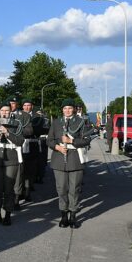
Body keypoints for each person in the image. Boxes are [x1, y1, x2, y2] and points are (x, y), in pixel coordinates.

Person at [47, 98, 93, 229]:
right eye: (65, 108)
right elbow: (49, 140)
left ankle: (73, 216)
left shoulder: (81, 122)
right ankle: (63, 216)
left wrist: (71, 141)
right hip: (59, 159)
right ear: (62, 110)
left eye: (70, 108)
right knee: (61, 189)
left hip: (75, 160)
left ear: (74, 109)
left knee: (74, 189)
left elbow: (87, 140)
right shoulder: (56, 122)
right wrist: (57, 147)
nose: (67, 110)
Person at [0, 101, 25, 226]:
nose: (5, 113)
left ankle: (8, 214)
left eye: (7, 111)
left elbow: (20, 141)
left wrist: (8, 133)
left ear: (11, 111)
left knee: (9, 189)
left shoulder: (17, 123)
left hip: (11, 159)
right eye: (2, 111)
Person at [8, 95, 33, 209]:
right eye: (10, 103)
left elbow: (29, 130)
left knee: (19, 173)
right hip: (6, 148)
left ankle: (17, 198)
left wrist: (16, 129)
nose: (11, 105)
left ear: (16, 105)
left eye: (13, 103)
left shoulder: (24, 115)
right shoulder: (3, 114)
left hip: (19, 146)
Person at [21, 99, 41, 201]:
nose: (27, 107)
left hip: (32, 144)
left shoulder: (37, 117)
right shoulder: (18, 116)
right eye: (25, 105)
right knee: (21, 169)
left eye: (29, 105)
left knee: (30, 169)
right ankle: (20, 190)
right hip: (20, 144)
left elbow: (37, 130)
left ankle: (28, 190)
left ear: (32, 106)